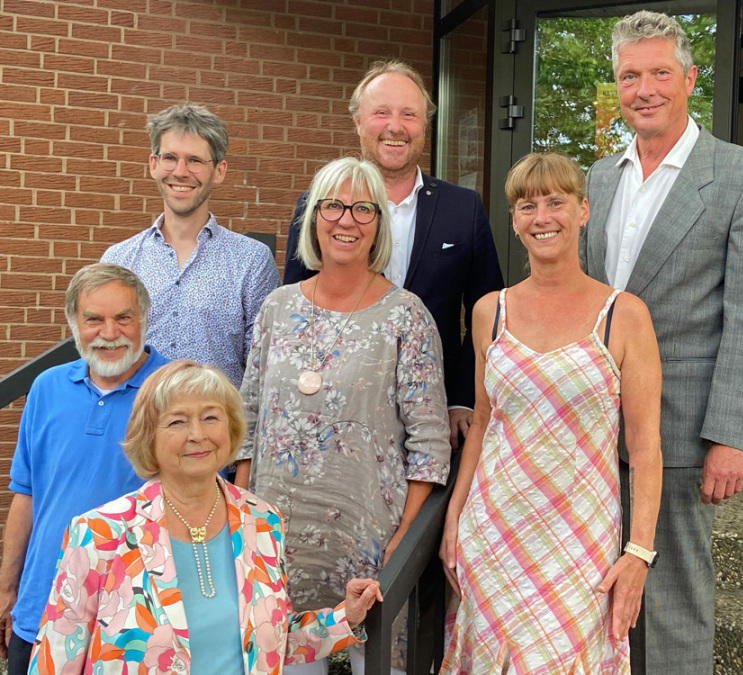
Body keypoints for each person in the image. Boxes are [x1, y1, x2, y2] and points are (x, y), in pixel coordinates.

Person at [583, 11, 743, 674]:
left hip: (682, 431)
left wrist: (731, 435)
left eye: (659, 73)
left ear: (691, 79)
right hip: (592, 431)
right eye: (629, 76)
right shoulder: (600, 178)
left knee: (671, 605)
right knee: (596, 596)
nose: (644, 89)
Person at [440, 153, 663, 673]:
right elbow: (483, 424)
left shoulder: (624, 315)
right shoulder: (489, 312)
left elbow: (645, 447)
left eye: (556, 202)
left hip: (581, 540)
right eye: (527, 206)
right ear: (515, 221)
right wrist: (454, 516)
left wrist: (638, 553)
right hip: (494, 534)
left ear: (583, 211)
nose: (542, 217)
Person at [237, 156, 452, 675]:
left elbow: (429, 442)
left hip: (369, 541)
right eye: (332, 206)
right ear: (314, 218)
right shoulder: (276, 308)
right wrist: (240, 521)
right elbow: (247, 418)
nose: (346, 220)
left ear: (378, 224)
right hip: (276, 539)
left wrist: (403, 540)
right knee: (283, 657)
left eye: (363, 209)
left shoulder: (406, 315)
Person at [28, 360, 383, 674]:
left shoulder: (263, 521)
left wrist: (345, 617)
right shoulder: (99, 532)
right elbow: (57, 657)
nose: (197, 435)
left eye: (211, 417)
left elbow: (270, 641)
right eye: (177, 422)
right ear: (148, 437)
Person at [283, 60, 504, 449]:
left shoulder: (463, 209)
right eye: (381, 113)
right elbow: (297, 312)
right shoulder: (319, 207)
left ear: (425, 126)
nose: (395, 127)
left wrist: (462, 400)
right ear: (357, 121)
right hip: (333, 413)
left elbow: (488, 313)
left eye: (409, 115)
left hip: (434, 420)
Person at [0, 263, 168, 675]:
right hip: (41, 609)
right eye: (94, 319)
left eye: (124, 318)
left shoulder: (174, 390)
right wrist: (7, 589)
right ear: (74, 323)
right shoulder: (47, 387)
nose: (109, 333)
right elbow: (27, 495)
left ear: (144, 319)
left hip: (132, 621)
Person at [101, 103, 279, 388]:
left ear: (219, 171)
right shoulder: (119, 260)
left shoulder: (251, 261)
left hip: (216, 416)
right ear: (153, 165)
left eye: (195, 160)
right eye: (170, 158)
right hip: (135, 416)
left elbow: (262, 372)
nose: (181, 172)